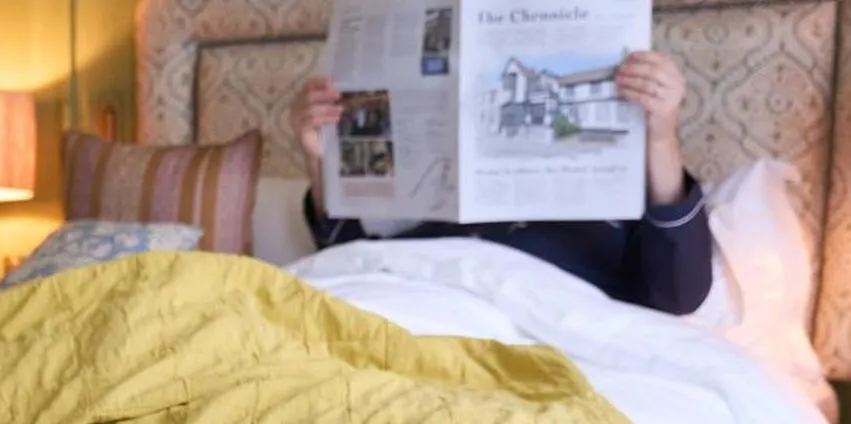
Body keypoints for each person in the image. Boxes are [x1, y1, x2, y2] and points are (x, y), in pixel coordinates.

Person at [289, 50, 711, 315]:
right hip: (411, 306)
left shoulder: (620, 196)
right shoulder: (435, 201)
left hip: (538, 333)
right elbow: (347, 259)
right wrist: (318, 155)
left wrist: (660, 137)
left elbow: (678, 294)